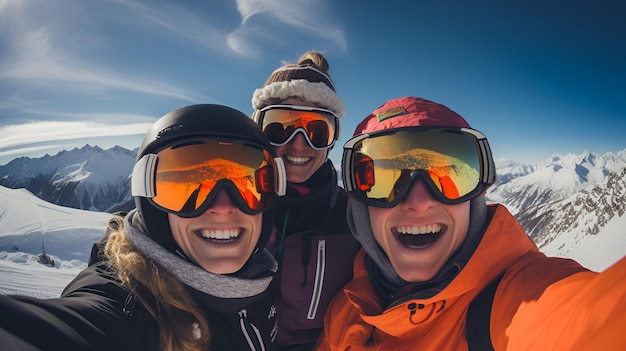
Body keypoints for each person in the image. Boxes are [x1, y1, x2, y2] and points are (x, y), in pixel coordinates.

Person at [315, 96, 626, 350]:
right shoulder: (346, 309)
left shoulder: (513, 300)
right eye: (388, 178)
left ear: (476, 198)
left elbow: (587, 320)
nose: (419, 201)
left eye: (446, 176)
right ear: (359, 207)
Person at [0, 104, 287, 350]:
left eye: (247, 186)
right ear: (151, 202)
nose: (223, 206)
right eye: (190, 187)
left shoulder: (260, 281)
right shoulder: (129, 305)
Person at [251, 51, 361, 350]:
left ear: (333, 138)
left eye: (317, 129)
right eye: (279, 127)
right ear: (258, 131)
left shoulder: (354, 220)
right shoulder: (227, 205)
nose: (299, 143)